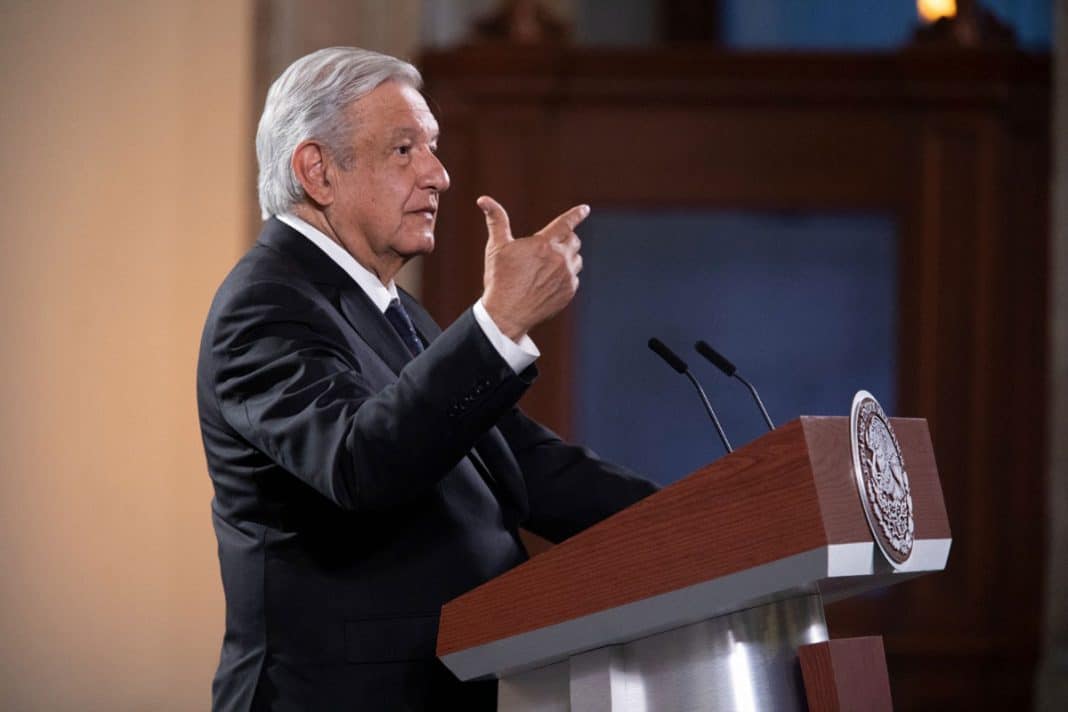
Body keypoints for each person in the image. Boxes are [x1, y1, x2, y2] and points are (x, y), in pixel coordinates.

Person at [197, 46, 657, 711]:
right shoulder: (264, 306)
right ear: (318, 171)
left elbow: (521, 463)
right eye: (404, 149)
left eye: (433, 148)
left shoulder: (392, 307)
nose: (439, 175)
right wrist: (498, 323)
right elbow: (361, 464)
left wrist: (699, 517)